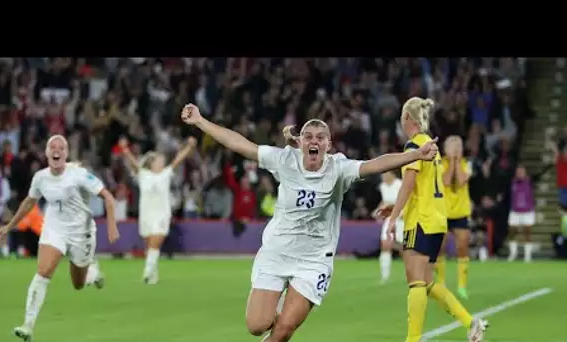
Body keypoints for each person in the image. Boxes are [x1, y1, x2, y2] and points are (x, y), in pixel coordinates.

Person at [180, 103, 439, 342]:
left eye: (320, 137)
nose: (314, 141)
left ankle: (289, 303)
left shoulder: (338, 168)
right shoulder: (284, 160)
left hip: (314, 260)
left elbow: (376, 164)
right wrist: (201, 121)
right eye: (309, 137)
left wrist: (415, 155)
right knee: (257, 325)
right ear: (300, 142)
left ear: (328, 144)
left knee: (283, 331)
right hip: (277, 252)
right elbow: (239, 144)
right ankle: (279, 301)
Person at [0, 135, 120, 342]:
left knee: (77, 284)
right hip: (54, 229)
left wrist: (112, 225)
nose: (56, 150)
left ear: (66, 154)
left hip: (81, 233)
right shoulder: (41, 178)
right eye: (53, 147)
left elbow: (108, 197)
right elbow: (28, 202)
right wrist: (9, 226)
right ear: (47, 153)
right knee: (43, 272)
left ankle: (92, 273)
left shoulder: (79, 175)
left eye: (61, 147)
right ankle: (28, 325)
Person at [380, 97, 487, 342]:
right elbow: (423, 187)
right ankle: (471, 323)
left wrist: (394, 216)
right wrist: (394, 207)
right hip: (437, 220)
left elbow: (408, 183)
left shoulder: (414, 146)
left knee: (416, 282)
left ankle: (412, 339)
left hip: (421, 221)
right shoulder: (431, 146)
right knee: (427, 281)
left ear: (407, 117)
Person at [119, 136, 197, 284]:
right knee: (150, 245)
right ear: (152, 164)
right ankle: (153, 275)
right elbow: (134, 164)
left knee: (157, 240)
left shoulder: (165, 174)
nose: (162, 163)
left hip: (162, 213)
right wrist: (125, 149)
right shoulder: (144, 175)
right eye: (159, 161)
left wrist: (189, 147)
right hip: (146, 213)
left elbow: (177, 160)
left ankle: (147, 271)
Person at [436, 136, 472, 299]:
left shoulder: (466, 164)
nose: (457, 149)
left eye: (459, 146)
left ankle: (462, 285)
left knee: (462, 247)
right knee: (440, 248)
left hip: (460, 212)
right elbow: (447, 181)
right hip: (443, 211)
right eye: (453, 146)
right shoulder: (440, 164)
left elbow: (462, 180)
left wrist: (457, 161)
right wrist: (451, 160)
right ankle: (441, 283)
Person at [375, 170, 403, 284]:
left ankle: (417, 271)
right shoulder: (382, 186)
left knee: (404, 248)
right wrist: (378, 211)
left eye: (385, 174)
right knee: (385, 245)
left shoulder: (400, 184)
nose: (383, 177)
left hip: (402, 218)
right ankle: (385, 276)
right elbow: (385, 201)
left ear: (392, 174)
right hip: (389, 218)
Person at [507, 165, 536, 262]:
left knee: (527, 232)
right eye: (518, 172)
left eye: (521, 172)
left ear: (525, 173)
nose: (519, 174)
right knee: (512, 232)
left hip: (527, 211)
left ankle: (527, 255)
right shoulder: (512, 182)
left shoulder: (530, 182)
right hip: (515, 211)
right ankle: (513, 253)